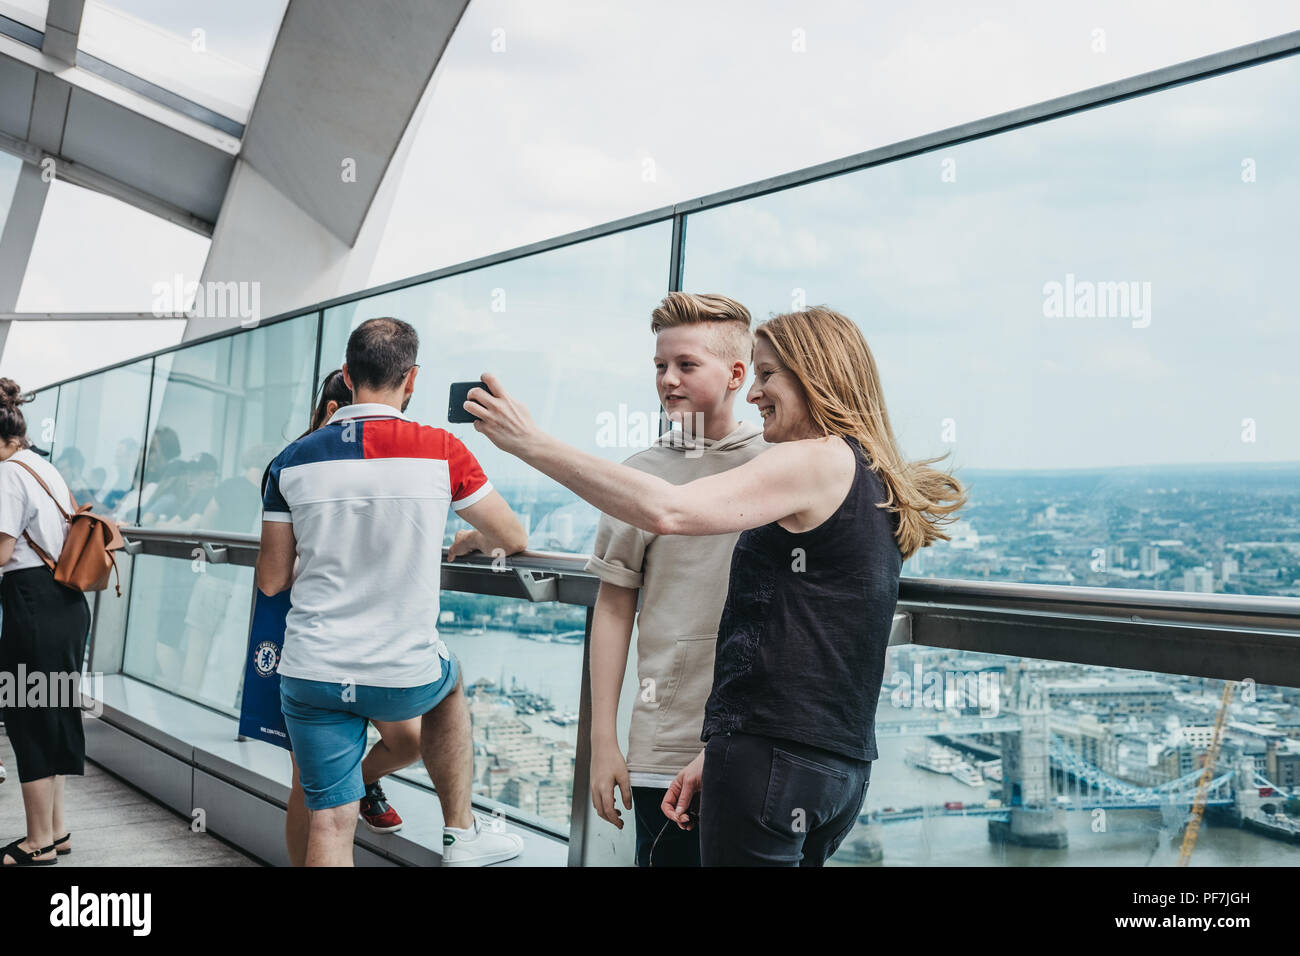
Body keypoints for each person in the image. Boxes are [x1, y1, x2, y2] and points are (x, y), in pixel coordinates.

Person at [464, 305, 967, 866]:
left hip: (769, 763)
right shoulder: (863, 470)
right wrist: (723, 748)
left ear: (815, 375)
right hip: (834, 764)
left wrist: (528, 442)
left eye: (768, 374)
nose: (756, 392)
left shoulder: (806, 461)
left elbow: (667, 510)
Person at [256, 317, 530, 867]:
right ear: (412, 379)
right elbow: (514, 536)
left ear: (347, 374)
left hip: (312, 671)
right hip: (398, 677)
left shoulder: (290, 461)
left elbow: (271, 580)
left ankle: (355, 799)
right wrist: (472, 538)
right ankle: (460, 833)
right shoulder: (441, 451)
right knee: (448, 686)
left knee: (330, 823)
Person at [585, 292, 767, 866]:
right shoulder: (639, 477)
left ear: (738, 374)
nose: (667, 380)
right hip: (665, 747)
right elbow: (613, 610)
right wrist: (603, 740)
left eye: (686, 365)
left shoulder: (778, 467)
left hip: (761, 740)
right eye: (660, 366)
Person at [267, 369, 424, 861]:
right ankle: (349, 791)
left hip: (358, 635)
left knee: (410, 740)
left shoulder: (305, 465)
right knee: (306, 783)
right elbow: (274, 576)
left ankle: (358, 781)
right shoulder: (295, 464)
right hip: (309, 632)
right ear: (336, 412)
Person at [0, 378, 93, 865]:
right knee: (51, 713)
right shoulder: (41, 466)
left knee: (28, 718)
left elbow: (1, 550)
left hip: (33, 603)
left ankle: (36, 843)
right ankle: (56, 831)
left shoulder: (7, 474)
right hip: (66, 603)